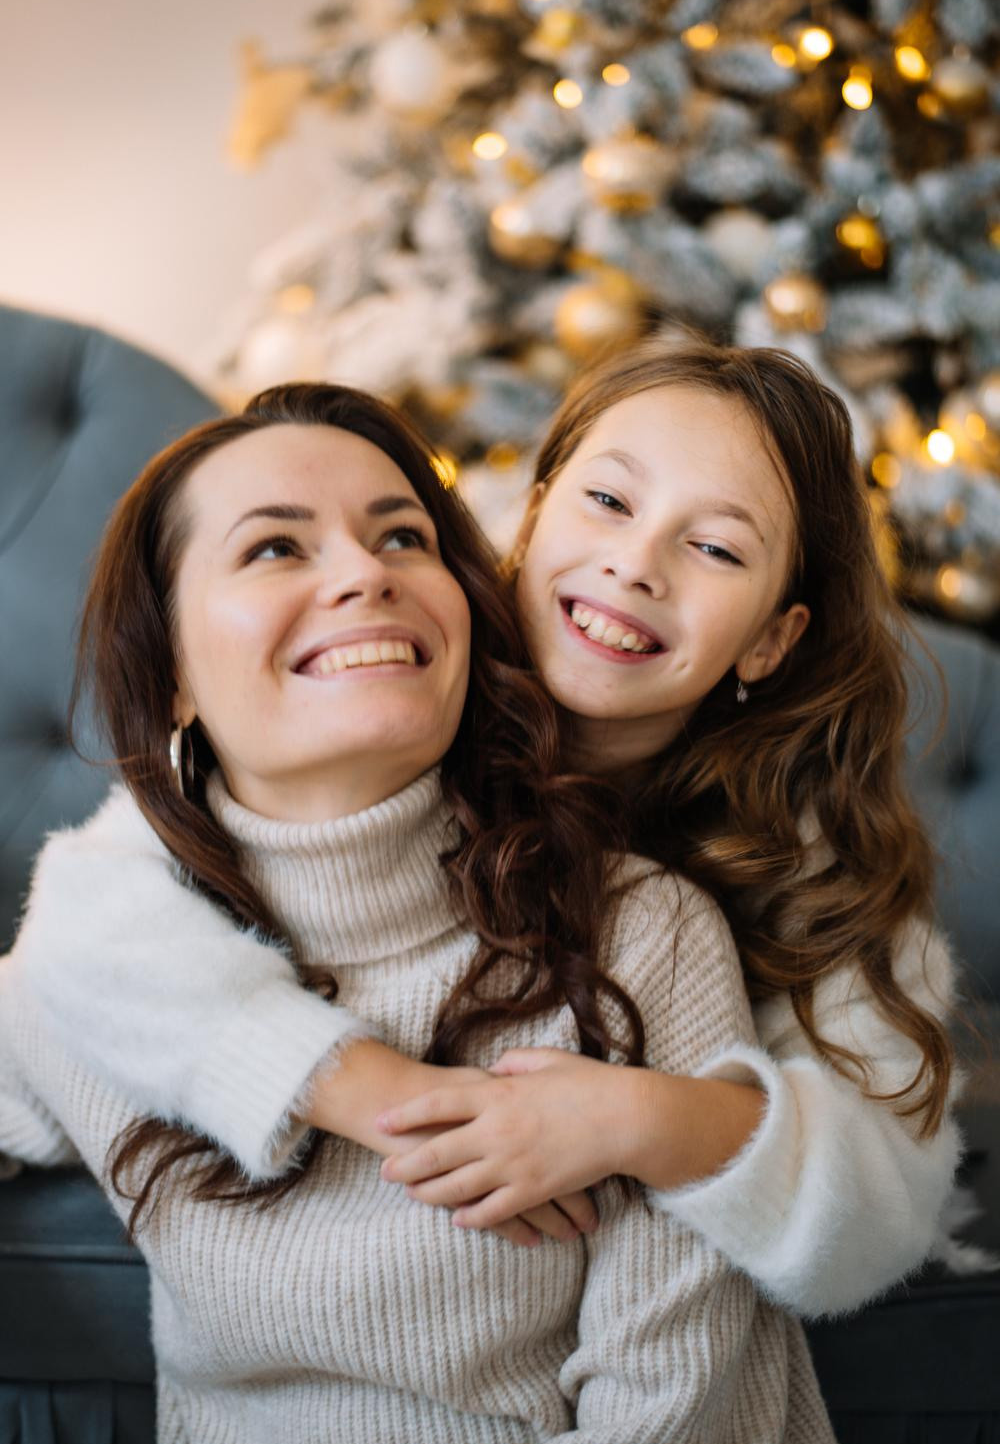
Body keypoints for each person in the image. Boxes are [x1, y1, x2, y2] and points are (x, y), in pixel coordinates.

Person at [16, 340, 958, 1320]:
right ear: (533, 510)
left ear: (771, 636)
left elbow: (879, 1209)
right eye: (607, 502)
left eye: (715, 547)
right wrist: (360, 1088)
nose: (633, 564)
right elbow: (88, 920)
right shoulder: (386, 709)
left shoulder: (800, 868)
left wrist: (642, 1117)